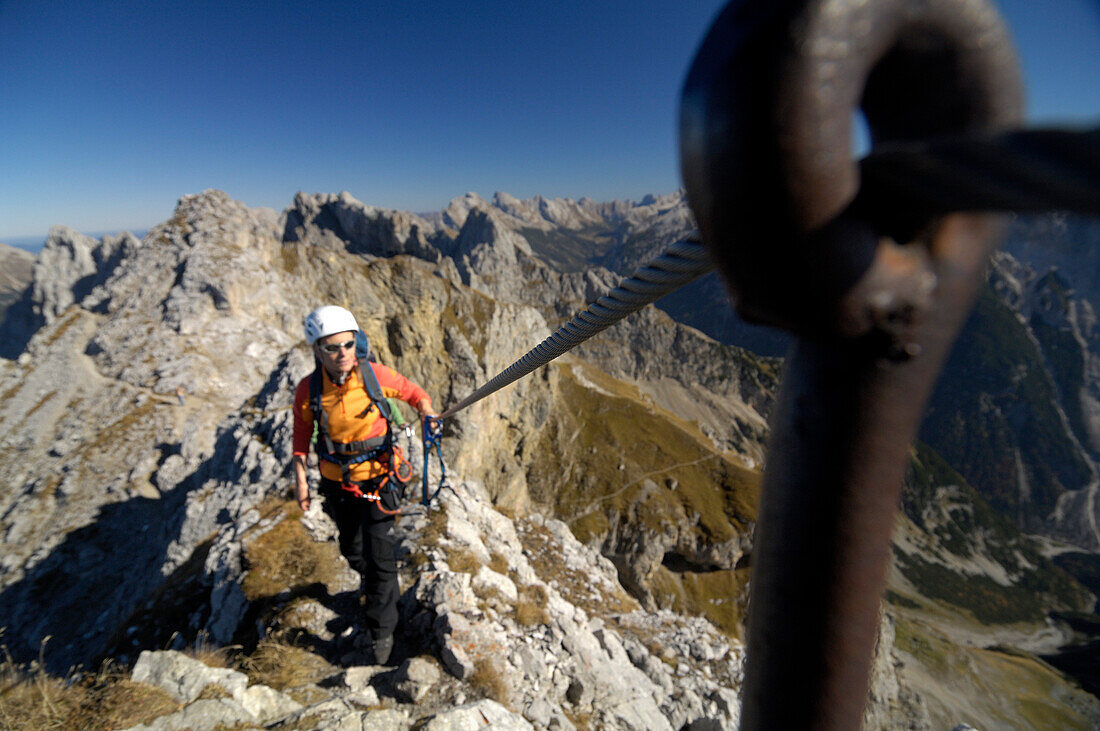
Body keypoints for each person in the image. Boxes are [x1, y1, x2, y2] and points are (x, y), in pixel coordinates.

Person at [291, 305, 438, 664]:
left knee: (380, 556)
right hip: (337, 484)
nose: (343, 353)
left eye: (348, 344)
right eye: (332, 347)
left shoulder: (374, 374)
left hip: (380, 478)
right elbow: (300, 437)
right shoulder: (308, 391)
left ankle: (383, 633)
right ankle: (373, 584)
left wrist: (428, 412)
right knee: (353, 549)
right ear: (316, 350)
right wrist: (300, 480)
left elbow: (415, 394)